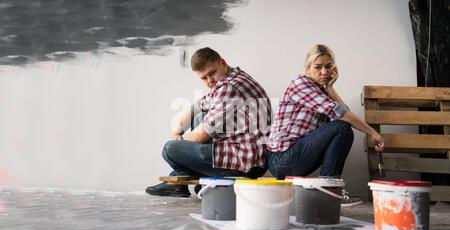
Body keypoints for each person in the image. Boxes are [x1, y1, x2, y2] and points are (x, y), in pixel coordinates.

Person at [267, 44, 384, 206]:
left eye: (328, 67)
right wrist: (372, 133)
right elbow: (342, 115)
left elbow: (345, 113)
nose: (324, 72)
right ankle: (330, 190)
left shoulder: (321, 90)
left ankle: (329, 189)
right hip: (282, 159)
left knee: (344, 129)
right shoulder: (301, 83)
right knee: (342, 127)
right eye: (318, 67)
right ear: (308, 68)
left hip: (296, 156)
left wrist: (330, 87)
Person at [146, 47, 272, 197]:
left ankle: (179, 182)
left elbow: (200, 137)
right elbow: (196, 107)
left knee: (170, 149)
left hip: (246, 163)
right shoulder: (232, 77)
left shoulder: (229, 87)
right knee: (200, 117)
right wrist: (178, 130)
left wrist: (180, 141)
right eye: (204, 78)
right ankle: (181, 184)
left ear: (222, 62)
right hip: (249, 158)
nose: (210, 80)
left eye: (212, 73)